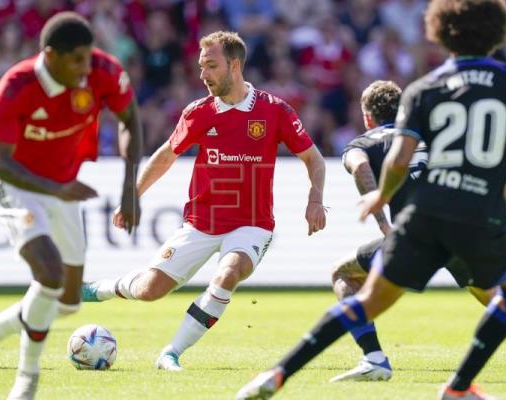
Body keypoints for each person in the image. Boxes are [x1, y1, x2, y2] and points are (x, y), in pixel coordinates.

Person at [236, 1, 506, 399]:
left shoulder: (424, 88)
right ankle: (459, 386)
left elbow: (396, 158)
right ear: (500, 32)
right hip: (479, 216)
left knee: (366, 300)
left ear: (440, 32)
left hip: (424, 216)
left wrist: (382, 197)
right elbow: (503, 176)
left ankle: (277, 373)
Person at [82, 30, 327, 371]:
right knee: (150, 290)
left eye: (211, 66)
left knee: (229, 273)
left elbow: (314, 159)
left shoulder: (275, 110)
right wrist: (132, 195)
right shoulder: (199, 112)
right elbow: (166, 155)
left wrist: (315, 199)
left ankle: (171, 353)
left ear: (235, 65)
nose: (203, 74)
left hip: (251, 225)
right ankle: (102, 288)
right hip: (201, 222)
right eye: (201, 66)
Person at [0, 12, 142, 400]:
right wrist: (55, 189)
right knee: (49, 274)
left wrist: (129, 189)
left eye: (88, 58)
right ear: (50, 55)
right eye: (76, 60)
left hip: (62, 189)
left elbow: (130, 120)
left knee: (69, 303)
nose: (84, 68)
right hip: (17, 188)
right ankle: (27, 378)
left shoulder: (103, 72)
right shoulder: (16, 86)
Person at [331, 80, 506, 382]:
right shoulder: (440, 135)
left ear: (367, 117)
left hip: (416, 237)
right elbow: (500, 172)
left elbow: (361, 168)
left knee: (343, 273)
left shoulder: (363, 143)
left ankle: (374, 357)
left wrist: (383, 224)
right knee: (496, 297)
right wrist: (499, 222)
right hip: (463, 231)